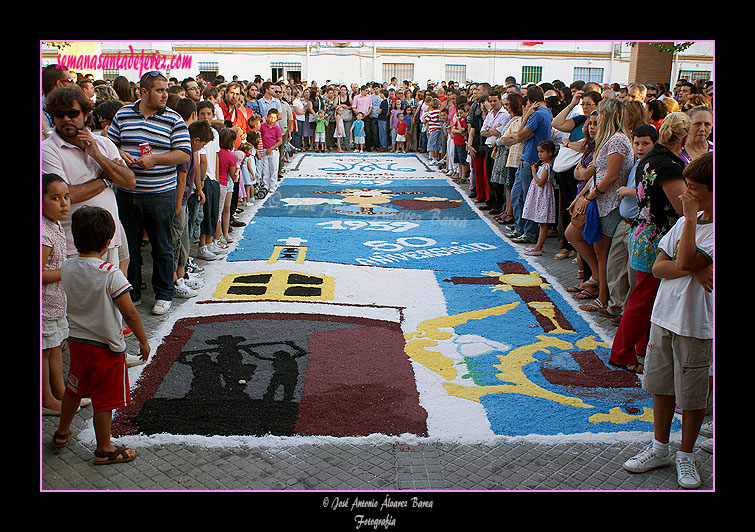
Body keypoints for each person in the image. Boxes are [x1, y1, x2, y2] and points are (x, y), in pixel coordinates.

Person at [622, 152, 713, 489]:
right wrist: (690, 267)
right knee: (661, 387)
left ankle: (686, 455)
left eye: (693, 189)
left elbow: (686, 256)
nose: (685, 195)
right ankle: (660, 447)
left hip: (695, 323)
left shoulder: (694, 223)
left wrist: (689, 223)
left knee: (691, 396)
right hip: (665, 316)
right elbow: (659, 266)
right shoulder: (680, 224)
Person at [52, 206, 150, 465]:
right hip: (106, 348)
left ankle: (62, 433)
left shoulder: (68, 267)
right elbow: (129, 313)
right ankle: (104, 449)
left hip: (78, 343)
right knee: (104, 401)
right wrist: (143, 339)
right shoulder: (111, 274)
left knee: (74, 389)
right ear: (108, 241)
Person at [609, 112, 691, 374]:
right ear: (685, 136)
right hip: (657, 237)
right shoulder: (668, 166)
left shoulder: (650, 160)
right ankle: (621, 353)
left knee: (645, 297)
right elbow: (683, 210)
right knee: (643, 298)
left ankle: (640, 347)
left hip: (645, 232)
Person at [106, 70, 192, 316]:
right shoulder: (123, 115)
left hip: (159, 193)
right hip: (127, 192)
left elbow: (183, 154)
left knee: (161, 245)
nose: (165, 95)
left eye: (166, 90)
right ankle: (131, 292)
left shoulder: (173, 119)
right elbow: (111, 143)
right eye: (159, 90)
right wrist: (119, 154)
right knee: (128, 246)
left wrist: (155, 159)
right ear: (143, 92)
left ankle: (164, 293)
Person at [564, 98, 634, 313]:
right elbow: (595, 173)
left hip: (609, 203)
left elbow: (611, 176)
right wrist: (582, 196)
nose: (595, 119)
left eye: (600, 114)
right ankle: (597, 283)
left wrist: (591, 196)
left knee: (603, 253)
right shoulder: (608, 140)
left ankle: (603, 298)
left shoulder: (617, 141)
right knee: (580, 238)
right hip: (600, 200)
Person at [601, 124, 658, 323]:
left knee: (632, 272)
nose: (640, 147)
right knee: (614, 265)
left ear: (655, 144)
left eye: (645, 144)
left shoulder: (654, 166)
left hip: (639, 224)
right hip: (624, 222)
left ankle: (627, 312)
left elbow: (652, 194)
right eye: (637, 143)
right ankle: (615, 305)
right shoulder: (637, 162)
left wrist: (628, 191)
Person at [500, 85, 553, 245]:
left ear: (530, 101)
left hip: (530, 159)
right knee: (517, 196)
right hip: (526, 159)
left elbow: (519, 135)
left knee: (525, 197)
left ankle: (528, 231)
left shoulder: (537, 115)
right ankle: (520, 228)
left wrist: (526, 115)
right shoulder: (547, 113)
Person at [173, 119, 213, 298]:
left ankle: (181, 276)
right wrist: (178, 203)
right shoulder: (186, 152)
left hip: (185, 200)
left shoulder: (191, 152)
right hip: (180, 202)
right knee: (176, 241)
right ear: (195, 140)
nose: (203, 147)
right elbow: (181, 179)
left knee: (183, 240)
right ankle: (174, 281)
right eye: (203, 144)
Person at [42, 174, 71, 415]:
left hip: (55, 302)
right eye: (55, 198)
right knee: (45, 351)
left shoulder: (55, 225)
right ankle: (47, 399)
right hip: (44, 305)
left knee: (56, 345)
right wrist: (67, 271)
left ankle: (61, 392)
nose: (64, 203)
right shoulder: (44, 233)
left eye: (66, 197)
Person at [196, 101, 229, 262]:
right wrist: (203, 179)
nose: (206, 117)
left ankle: (211, 242)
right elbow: (201, 158)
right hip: (204, 177)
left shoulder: (215, 133)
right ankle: (203, 245)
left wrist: (217, 178)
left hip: (213, 178)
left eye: (209, 114)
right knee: (205, 214)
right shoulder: (197, 132)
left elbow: (215, 155)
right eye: (203, 114)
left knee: (213, 212)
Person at [521, 140, 557, 256]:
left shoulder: (547, 166)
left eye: (542, 152)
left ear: (550, 153)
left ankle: (539, 247)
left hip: (543, 194)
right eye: (539, 152)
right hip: (540, 194)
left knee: (543, 222)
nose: (539, 154)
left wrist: (533, 173)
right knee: (541, 222)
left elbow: (541, 182)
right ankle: (538, 245)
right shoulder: (544, 165)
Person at [216, 127, 240, 246]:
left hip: (221, 182)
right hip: (226, 182)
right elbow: (232, 174)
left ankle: (223, 235)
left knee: (222, 210)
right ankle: (222, 235)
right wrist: (237, 173)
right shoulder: (230, 156)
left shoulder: (217, 153)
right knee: (225, 209)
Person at [260, 108, 283, 193]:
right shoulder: (263, 126)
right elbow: (260, 136)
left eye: (274, 117)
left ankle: (273, 185)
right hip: (265, 149)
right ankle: (266, 184)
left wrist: (272, 148)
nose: (271, 119)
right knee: (265, 168)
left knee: (273, 168)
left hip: (273, 150)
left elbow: (280, 141)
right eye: (270, 117)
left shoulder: (276, 128)